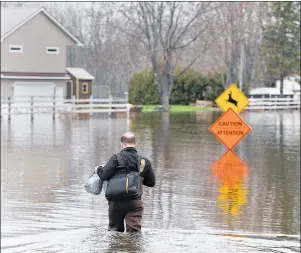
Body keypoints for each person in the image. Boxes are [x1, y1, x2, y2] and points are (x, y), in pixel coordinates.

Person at [96, 132, 156, 232]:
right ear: (135, 144)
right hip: (134, 202)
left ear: (121, 144)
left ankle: (118, 247)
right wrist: (138, 179)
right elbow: (151, 183)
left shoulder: (115, 158)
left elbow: (103, 175)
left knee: (114, 232)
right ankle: (133, 247)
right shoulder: (144, 161)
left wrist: (99, 170)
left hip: (116, 202)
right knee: (134, 233)